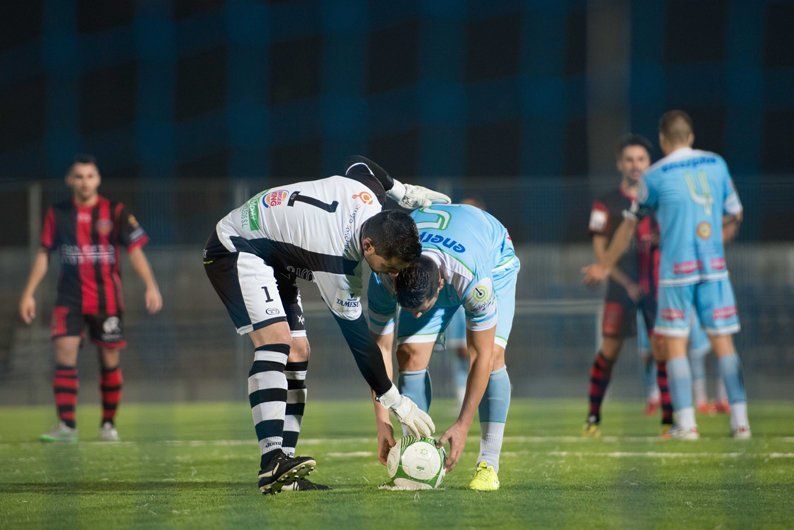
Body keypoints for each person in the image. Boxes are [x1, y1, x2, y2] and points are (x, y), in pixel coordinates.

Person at [203, 156, 449, 493]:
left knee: (298, 352)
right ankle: (271, 461)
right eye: (390, 267)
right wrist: (396, 402)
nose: (393, 275)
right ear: (368, 246)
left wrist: (401, 192)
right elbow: (361, 344)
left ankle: (285, 471)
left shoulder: (369, 199)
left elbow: (360, 167)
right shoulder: (338, 262)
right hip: (236, 246)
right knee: (275, 341)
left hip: (276, 256)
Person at [583, 110, 750, 439]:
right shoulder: (717, 164)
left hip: (674, 274)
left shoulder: (655, 176)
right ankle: (740, 422)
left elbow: (629, 226)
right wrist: (716, 240)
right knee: (724, 344)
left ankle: (685, 424)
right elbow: (735, 214)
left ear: (662, 141)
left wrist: (604, 265)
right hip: (713, 269)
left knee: (673, 346)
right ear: (691, 136)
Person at [368, 204, 519, 491]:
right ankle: (416, 458)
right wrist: (382, 422)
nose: (414, 316)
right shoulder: (385, 275)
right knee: (409, 354)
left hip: (493, 255)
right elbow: (379, 351)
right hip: (440, 251)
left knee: (495, 356)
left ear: (440, 285)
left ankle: (489, 463)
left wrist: (463, 424)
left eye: (421, 310)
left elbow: (481, 355)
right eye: (408, 309)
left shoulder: (475, 281)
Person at [19, 154, 163, 443]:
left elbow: (135, 251)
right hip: (68, 299)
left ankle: (108, 424)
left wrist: (151, 285)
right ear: (69, 180)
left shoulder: (116, 211)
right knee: (64, 359)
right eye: (79, 176)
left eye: (90, 176)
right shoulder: (57, 213)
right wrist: (28, 294)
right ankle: (66, 426)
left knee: (109, 362)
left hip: (106, 301)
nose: (85, 182)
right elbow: (43, 254)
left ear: (97, 179)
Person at [582, 135, 672, 437]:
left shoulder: (661, 200)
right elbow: (600, 252)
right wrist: (625, 282)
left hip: (655, 287)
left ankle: (670, 421)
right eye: (630, 159)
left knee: (663, 350)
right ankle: (593, 418)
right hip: (622, 289)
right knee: (609, 351)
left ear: (650, 164)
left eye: (641, 159)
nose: (636, 165)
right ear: (621, 164)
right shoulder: (605, 203)